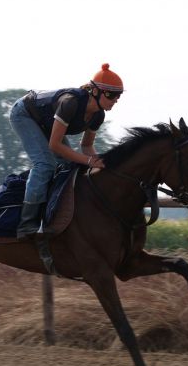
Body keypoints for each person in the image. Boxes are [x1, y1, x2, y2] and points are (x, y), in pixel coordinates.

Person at [9, 63, 123, 239]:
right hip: (25, 114)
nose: (116, 100)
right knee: (45, 164)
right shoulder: (70, 103)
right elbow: (54, 146)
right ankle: (26, 224)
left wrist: (101, 162)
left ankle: (52, 212)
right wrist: (88, 161)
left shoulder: (98, 115)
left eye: (118, 96)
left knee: (69, 166)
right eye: (112, 95)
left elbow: (86, 147)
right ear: (95, 91)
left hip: (46, 121)